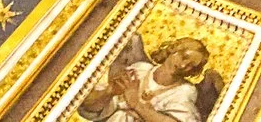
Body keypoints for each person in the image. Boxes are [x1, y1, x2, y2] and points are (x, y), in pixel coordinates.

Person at [76, 36, 216, 121]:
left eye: (191, 66)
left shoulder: (185, 90)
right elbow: (89, 108)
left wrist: (136, 105)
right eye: (183, 57)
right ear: (173, 50)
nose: (184, 65)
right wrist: (109, 92)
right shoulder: (141, 69)